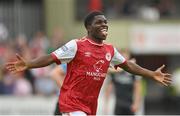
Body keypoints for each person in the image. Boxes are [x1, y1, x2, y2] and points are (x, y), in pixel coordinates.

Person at [6, 11, 171, 115]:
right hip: (71, 103)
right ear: (88, 27)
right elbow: (50, 58)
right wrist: (29, 64)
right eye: (99, 22)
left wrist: (151, 74)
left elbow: (128, 66)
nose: (104, 24)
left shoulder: (110, 50)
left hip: (90, 106)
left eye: (105, 22)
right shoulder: (76, 45)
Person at [105, 49, 143, 115]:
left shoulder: (133, 70)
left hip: (130, 104)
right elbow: (109, 87)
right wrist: (106, 104)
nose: (124, 57)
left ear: (129, 56)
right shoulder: (115, 69)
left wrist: (136, 103)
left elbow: (137, 88)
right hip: (118, 104)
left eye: (125, 55)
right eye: (122, 55)